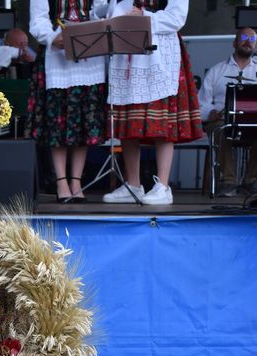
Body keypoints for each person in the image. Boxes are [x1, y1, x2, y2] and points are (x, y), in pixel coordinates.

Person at [102, 0, 202, 206]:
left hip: (160, 51)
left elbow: (177, 18)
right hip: (128, 49)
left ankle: (163, 186)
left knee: (162, 120)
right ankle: (133, 185)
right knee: (130, 119)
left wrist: (144, 17)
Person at [29, 0, 108, 204]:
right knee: (58, 121)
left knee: (84, 122)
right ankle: (61, 181)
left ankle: (76, 181)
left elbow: (99, 10)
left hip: (89, 54)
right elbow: (38, 19)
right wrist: (51, 37)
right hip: (57, 56)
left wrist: (95, 23)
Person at [198, 27, 257, 197]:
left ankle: (251, 180)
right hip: (223, 120)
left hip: (252, 122)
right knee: (219, 130)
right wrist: (210, 112)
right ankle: (228, 181)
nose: (248, 42)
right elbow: (201, 104)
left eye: (252, 39)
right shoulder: (217, 71)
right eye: (244, 38)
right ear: (234, 43)